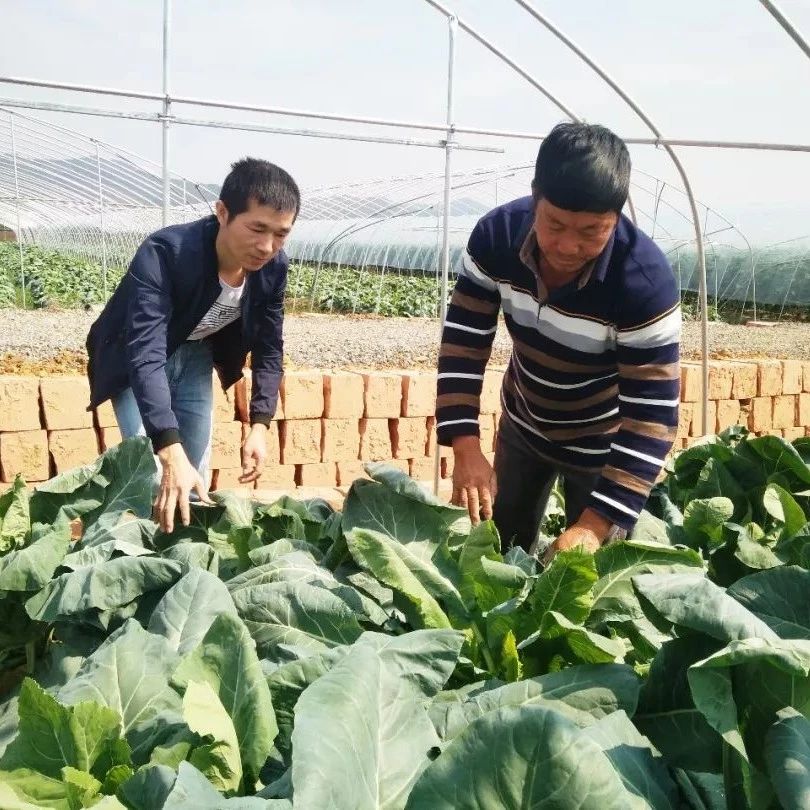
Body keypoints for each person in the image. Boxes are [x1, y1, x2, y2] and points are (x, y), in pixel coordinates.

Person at [435, 122, 680, 558]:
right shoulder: (496, 238)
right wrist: (465, 445)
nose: (567, 245)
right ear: (535, 198)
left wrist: (592, 525)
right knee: (501, 551)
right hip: (524, 424)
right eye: (555, 224)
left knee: (587, 575)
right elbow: (464, 342)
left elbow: (651, 416)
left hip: (604, 443)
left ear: (618, 215)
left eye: (591, 231)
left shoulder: (643, 281)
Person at [86, 157, 299, 533]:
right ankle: (132, 552)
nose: (267, 246)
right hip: (135, 356)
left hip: (196, 353)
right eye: (257, 228)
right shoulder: (166, 253)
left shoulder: (273, 268)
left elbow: (269, 346)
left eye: (281, 233)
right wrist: (168, 449)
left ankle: (183, 558)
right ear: (222, 213)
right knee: (151, 468)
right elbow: (145, 351)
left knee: (195, 468)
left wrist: (260, 425)